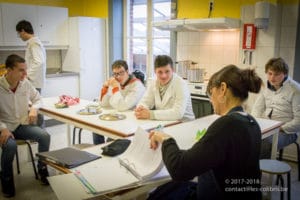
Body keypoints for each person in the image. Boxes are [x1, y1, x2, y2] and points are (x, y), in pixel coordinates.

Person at [148, 65, 263, 199]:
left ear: (223, 89)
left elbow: (179, 170)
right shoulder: (251, 122)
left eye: (211, 93)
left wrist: (165, 139)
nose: (210, 100)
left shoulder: (226, 125)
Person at [0, 54, 51, 198]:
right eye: (21, 70)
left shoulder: (25, 83)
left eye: (26, 70)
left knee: (44, 136)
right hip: (4, 127)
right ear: (9, 70)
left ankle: (42, 169)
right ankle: (6, 180)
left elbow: (38, 98)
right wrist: (2, 128)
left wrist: (34, 108)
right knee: (10, 146)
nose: (25, 74)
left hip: (21, 126)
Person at [251, 57, 300, 158]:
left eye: (277, 74)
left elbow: (298, 122)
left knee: (265, 143)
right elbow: (256, 110)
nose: (272, 78)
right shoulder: (266, 87)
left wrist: (278, 128)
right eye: (269, 73)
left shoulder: (295, 90)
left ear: (285, 73)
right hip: (267, 127)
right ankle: (246, 170)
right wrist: (254, 126)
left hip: (287, 131)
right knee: (245, 137)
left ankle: (257, 172)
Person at [93, 60, 145, 144]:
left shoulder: (137, 86)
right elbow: (104, 104)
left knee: (111, 140)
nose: (118, 76)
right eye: (115, 74)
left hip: (132, 123)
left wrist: (115, 89)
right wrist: (105, 87)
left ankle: (107, 151)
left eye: (121, 73)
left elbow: (122, 106)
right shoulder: (116, 83)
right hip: (118, 119)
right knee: (96, 128)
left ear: (127, 72)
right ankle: (99, 152)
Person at [135, 55, 194, 121]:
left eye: (167, 71)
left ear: (172, 70)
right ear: (155, 71)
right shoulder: (153, 82)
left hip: (184, 123)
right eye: (160, 72)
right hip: (164, 122)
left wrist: (151, 114)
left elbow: (178, 113)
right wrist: (141, 108)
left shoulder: (180, 84)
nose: (164, 76)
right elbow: (145, 101)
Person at [16, 20, 47, 127]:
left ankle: (40, 132)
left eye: (19, 33)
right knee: (35, 107)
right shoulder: (33, 42)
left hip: (34, 81)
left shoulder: (34, 43)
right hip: (35, 80)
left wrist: (26, 74)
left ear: (23, 31)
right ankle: (38, 132)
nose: (19, 36)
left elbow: (39, 61)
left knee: (36, 107)